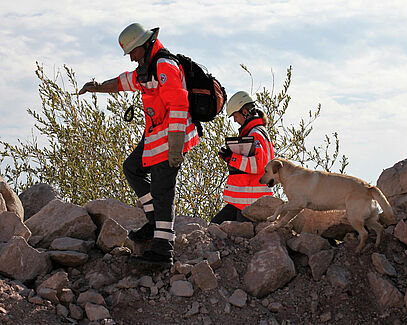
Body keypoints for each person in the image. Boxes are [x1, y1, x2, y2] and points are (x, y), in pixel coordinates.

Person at [79, 23, 199, 267]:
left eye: (133, 51)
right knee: (132, 168)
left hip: (171, 138)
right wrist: (98, 87)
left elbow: (178, 106)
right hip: (156, 137)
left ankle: (163, 250)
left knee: (163, 192)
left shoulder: (165, 66)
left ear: (146, 44)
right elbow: (123, 82)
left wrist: (175, 148)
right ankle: (154, 221)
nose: (131, 58)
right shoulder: (147, 68)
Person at [211, 91, 274, 224]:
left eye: (235, 115)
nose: (234, 120)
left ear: (245, 112)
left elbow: (259, 165)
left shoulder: (255, 134)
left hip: (250, 203)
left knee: (224, 233)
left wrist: (232, 158)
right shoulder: (256, 132)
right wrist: (230, 156)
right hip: (244, 201)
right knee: (214, 227)